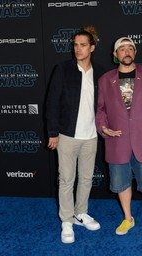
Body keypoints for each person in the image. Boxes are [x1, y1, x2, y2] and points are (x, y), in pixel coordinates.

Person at [95, 37, 142, 235]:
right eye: (122, 49)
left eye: (130, 48)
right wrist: (103, 127)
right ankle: (128, 219)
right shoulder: (104, 80)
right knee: (120, 183)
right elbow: (100, 110)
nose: (126, 52)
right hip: (116, 141)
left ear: (135, 53)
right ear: (115, 55)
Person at [46, 26, 105, 244]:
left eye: (82, 45)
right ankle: (67, 220)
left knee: (87, 178)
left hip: (91, 136)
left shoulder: (100, 72)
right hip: (67, 135)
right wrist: (53, 132)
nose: (77, 49)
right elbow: (51, 103)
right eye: (75, 45)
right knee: (66, 179)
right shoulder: (62, 69)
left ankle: (81, 212)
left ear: (91, 47)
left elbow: (104, 105)